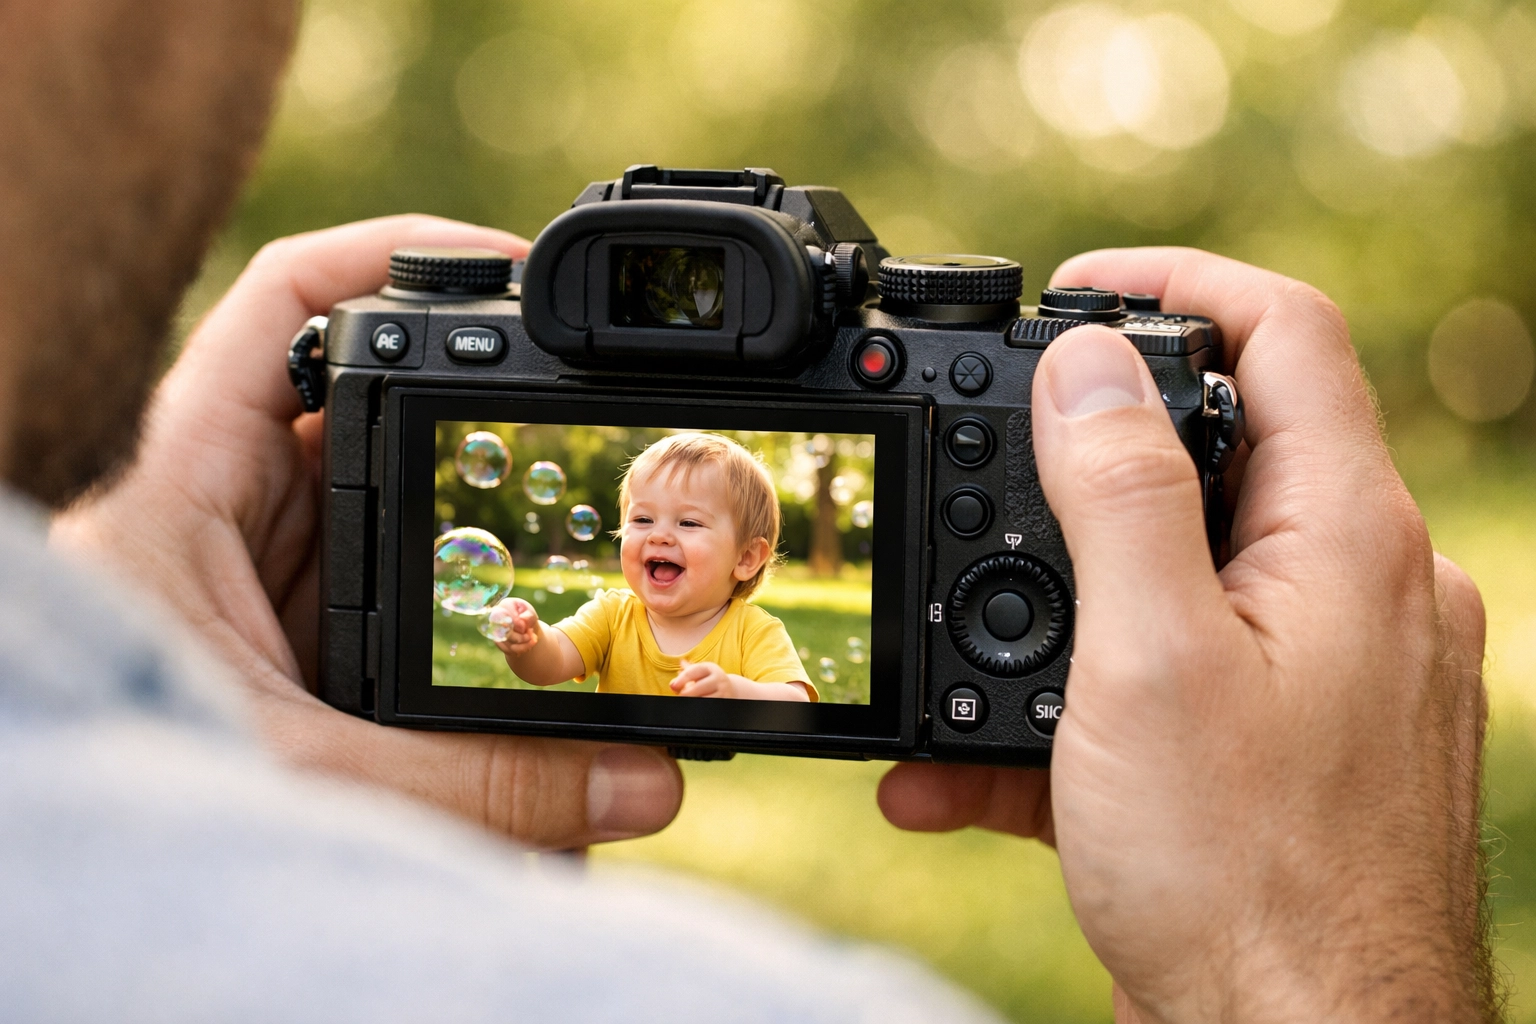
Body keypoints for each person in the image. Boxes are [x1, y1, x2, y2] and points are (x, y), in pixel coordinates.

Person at [6, 1, 1494, 1021]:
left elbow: (778, 683)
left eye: (686, 535)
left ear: (757, 558)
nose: (648, 555)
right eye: (639, 529)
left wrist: (153, 711)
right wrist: (1306, 962)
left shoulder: (771, 633)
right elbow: (548, 660)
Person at [486, 431, 816, 702]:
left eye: (688, 522)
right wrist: (530, 641)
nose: (659, 535)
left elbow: (796, 703)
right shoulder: (611, 616)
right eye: (643, 519)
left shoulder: (753, 631)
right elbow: (550, 664)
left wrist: (735, 691)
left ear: (745, 558)